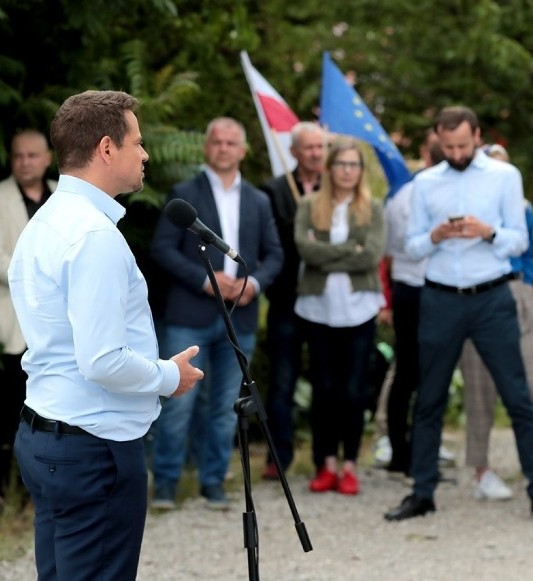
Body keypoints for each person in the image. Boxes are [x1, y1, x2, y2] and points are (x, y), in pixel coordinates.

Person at [9, 90, 204, 580]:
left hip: (50, 432)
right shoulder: (93, 236)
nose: (146, 154)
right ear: (106, 148)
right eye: (137, 142)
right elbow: (101, 360)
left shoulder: (47, 219)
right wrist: (167, 376)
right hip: (91, 447)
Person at [384, 106, 533, 525]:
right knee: (429, 398)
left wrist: (488, 231)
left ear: (477, 136)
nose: (457, 152)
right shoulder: (425, 183)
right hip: (441, 297)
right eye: (448, 147)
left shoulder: (505, 176)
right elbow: (410, 247)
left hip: (492, 297)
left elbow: (519, 242)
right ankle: (422, 492)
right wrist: (436, 235)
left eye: (463, 145)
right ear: (437, 143)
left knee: (518, 397)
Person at [150, 117, 283, 509]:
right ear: (207, 148)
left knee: (227, 407)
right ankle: (166, 486)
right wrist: (206, 281)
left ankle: (212, 484)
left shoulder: (259, 200)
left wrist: (252, 284)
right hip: (189, 314)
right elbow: (162, 249)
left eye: (231, 142)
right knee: (178, 405)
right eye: (217, 142)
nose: (224, 148)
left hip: (239, 317)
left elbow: (275, 254)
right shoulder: (183, 193)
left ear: (242, 150)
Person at [459, 144, 533, 504]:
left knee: (532, 386)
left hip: (514, 292)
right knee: (479, 388)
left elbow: (521, 251)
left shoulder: (521, 208)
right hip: (473, 295)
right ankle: (481, 470)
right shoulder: (461, 209)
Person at [294, 137, 386, 496]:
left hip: (359, 310)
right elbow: (306, 250)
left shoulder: (372, 208)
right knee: (324, 389)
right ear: (330, 168)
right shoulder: (309, 205)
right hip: (318, 309)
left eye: (354, 165)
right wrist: (350, 249)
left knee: (353, 390)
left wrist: (327, 251)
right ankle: (325, 463)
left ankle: (350, 465)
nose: (347, 171)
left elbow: (371, 257)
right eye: (342, 164)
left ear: (360, 171)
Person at [0, 129, 56, 496]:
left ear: (48, 158)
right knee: (7, 415)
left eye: (32, 155)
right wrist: (44, 277)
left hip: (57, 327)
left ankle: (38, 492)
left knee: (53, 415)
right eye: (18, 155)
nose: (25, 162)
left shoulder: (62, 197)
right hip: (13, 328)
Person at [259, 121, 326, 480]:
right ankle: (279, 458)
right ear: (295, 152)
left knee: (324, 381)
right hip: (286, 300)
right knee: (282, 383)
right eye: (309, 148)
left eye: (321, 147)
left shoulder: (337, 188)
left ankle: (322, 460)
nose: (316, 154)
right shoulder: (274, 190)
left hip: (326, 301)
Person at [378, 136, 444, 475]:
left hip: (439, 289)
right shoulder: (405, 196)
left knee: (428, 373)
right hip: (414, 290)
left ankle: (420, 452)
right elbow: (387, 254)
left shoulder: (405, 194)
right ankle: (402, 453)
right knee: (409, 373)